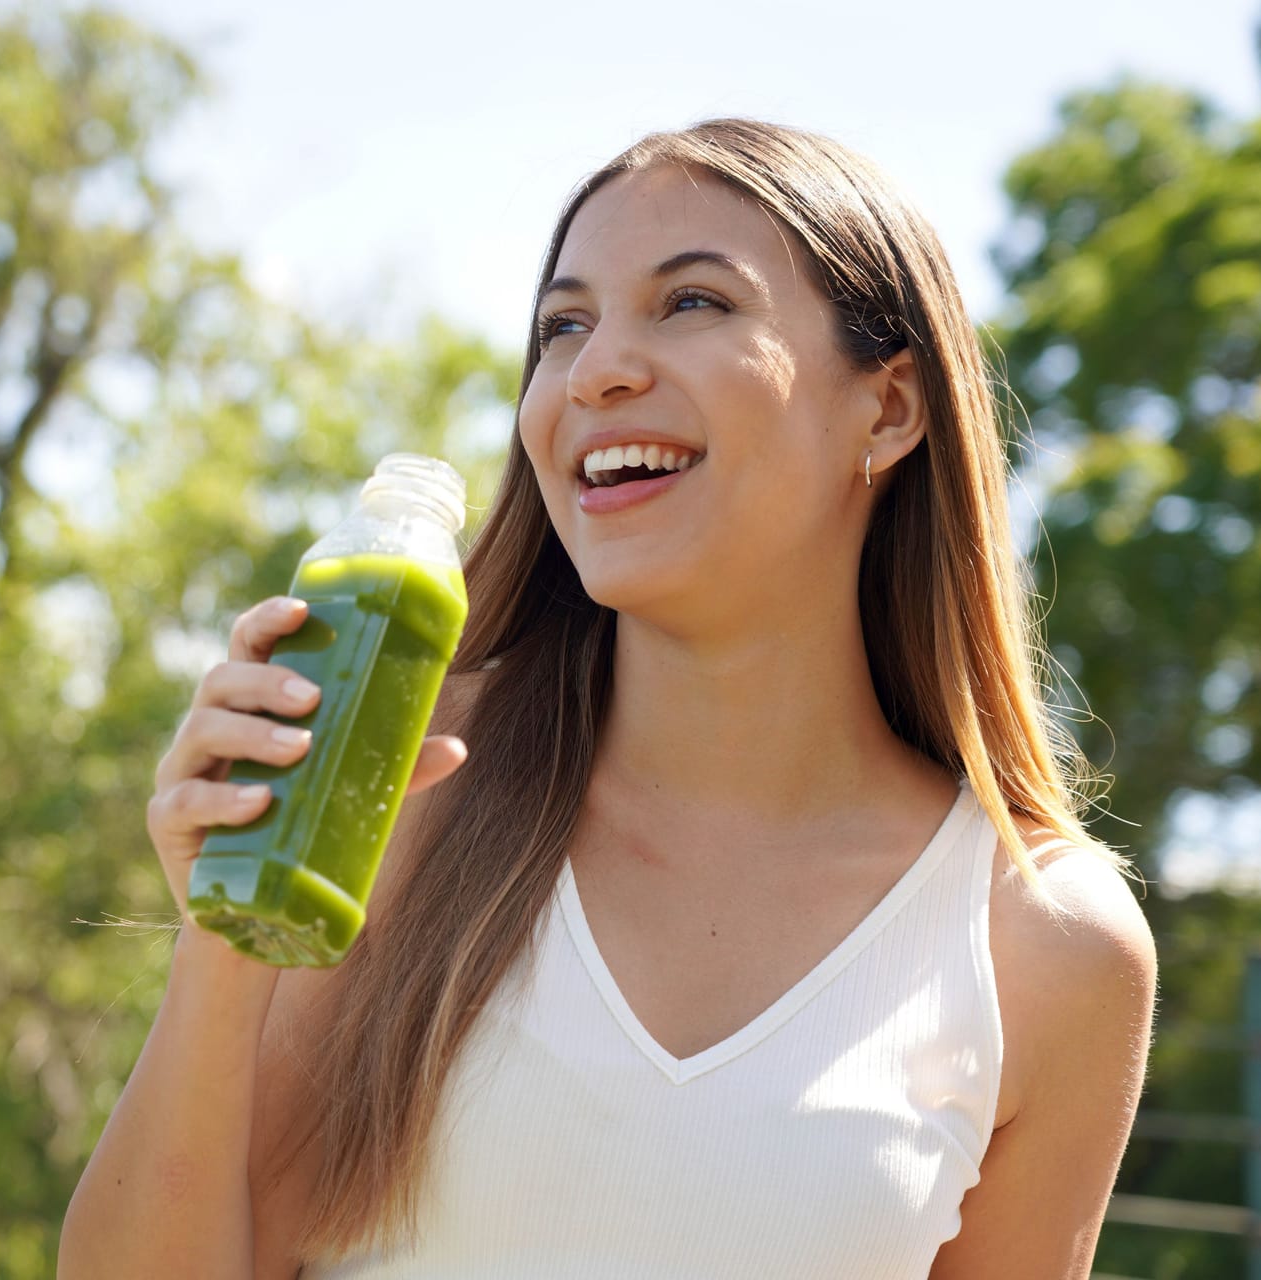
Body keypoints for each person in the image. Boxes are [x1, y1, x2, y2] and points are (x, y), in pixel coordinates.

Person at [58, 117, 1159, 1279]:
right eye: (562, 326)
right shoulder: (396, 781)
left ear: (886, 409)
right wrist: (225, 942)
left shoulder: (1048, 941)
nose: (595, 372)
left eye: (692, 303)